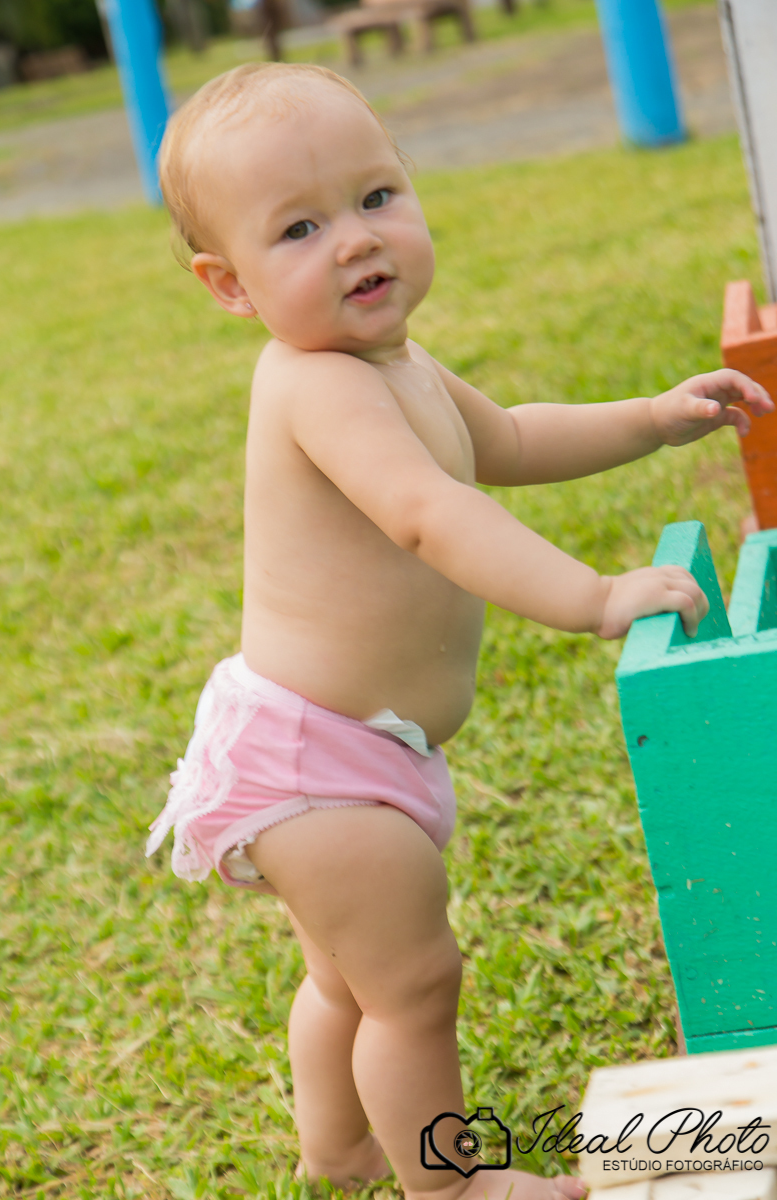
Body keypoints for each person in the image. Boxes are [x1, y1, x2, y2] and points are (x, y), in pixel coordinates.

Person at [145, 61, 772, 1200]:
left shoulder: (398, 365)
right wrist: (588, 595)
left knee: (346, 982)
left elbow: (509, 443)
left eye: (375, 198)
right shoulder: (316, 385)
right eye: (298, 228)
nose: (353, 240)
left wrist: (649, 420)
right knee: (413, 983)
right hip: (319, 765)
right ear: (227, 285)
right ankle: (452, 1185)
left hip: (344, 749)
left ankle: (336, 1151)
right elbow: (429, 513)